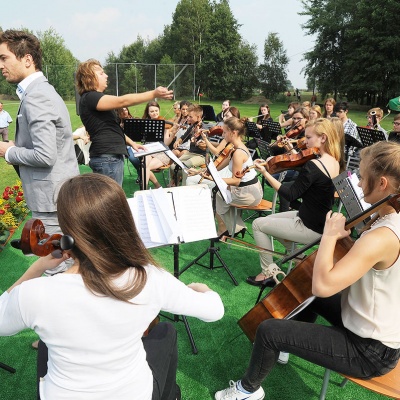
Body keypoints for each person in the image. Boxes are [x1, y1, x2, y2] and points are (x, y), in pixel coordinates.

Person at [0, 173, 224, 400]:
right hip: (133, 393)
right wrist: (203, 287)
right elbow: (215, 311)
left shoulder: (35, 295)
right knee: (166, 332)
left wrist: (34, 269)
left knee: (47, 345)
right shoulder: (149, 279)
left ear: (68, 234)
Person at [215, 140, 400, 400]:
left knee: (269, 331)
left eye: (363, 177)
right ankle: (288, 346)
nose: (358, 183)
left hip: (368, 350)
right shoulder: (388, 216)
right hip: (369, 324)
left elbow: (322, 284)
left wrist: (329, 235)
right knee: (311, 298)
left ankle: (247, 390)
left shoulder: (382, 236)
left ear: (383, 184)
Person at [0, 30, 79, 276]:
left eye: (4, 58)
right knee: (63, 266)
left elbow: (45, 156)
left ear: (27, 59)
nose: (1, 65)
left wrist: (9, 151)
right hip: (56, 196)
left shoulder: (37, 96)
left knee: (56, 268)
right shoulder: (39, 92)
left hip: (51, 200)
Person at [247, 118, 341, 288]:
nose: (305, 141)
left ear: (323, 138)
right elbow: (301, 171)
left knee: (258, 224)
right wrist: (271, 164)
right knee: (273, 222)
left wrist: (265, 173)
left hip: (310, 227)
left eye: (309, 137)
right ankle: (298, 259)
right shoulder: (334, 161)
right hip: (316, 219)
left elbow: (290, 194)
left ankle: (268, 273)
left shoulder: (314, 165)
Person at [75, 59, 173, 186]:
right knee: (111, 203)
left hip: (109, 157)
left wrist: (132, 143)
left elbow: (113, 128)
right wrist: (153, 93)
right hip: (107, 158)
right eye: (101, 73)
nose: (106, 75)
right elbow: (122, 101)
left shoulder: (92, 98)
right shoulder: (91, 97)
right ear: (90, 78)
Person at [215, 117, 263, 237]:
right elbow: (219, 166)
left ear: (233, 133)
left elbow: (235, 181)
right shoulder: (235, 147)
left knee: (218, 195)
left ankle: (223, 229)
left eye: (225, 132)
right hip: (247, 189)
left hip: (248, 193)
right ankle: (236, 227)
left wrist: (215, 179)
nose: (222, 134)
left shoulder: (238, 152)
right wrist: (204, 172)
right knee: (222, 192)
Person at [170, 104, 207, 186]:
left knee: (185, 167)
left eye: (190, 117)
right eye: (188, 116)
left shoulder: (204, 128)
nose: (188, 118)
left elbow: (205, 147)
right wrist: (178, 141)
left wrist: (199, 143)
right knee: (173, 166)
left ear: (198, 117)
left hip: (201, 156)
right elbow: (184, 137)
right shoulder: (193, 126)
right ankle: (174, 183)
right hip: (190, 153)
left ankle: (184, 188)